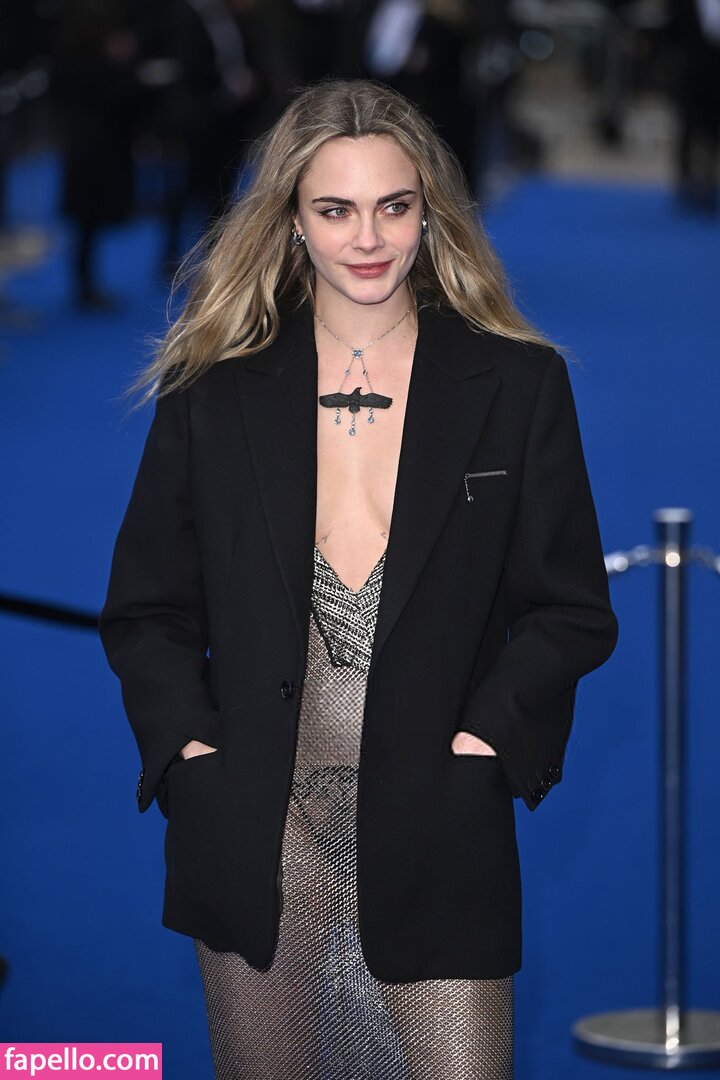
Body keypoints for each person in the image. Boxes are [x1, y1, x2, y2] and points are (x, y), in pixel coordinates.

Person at [98, 77, 618, 1080]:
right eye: (335, 210)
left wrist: (487, 742)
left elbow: (570, 609)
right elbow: (147, 608)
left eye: (394, 206)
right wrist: (191, 755)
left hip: (441, 820)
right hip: (255, 829)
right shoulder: (215, 388)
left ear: (431, 213)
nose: (368, 238)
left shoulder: (516, 384)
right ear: (292, 220)